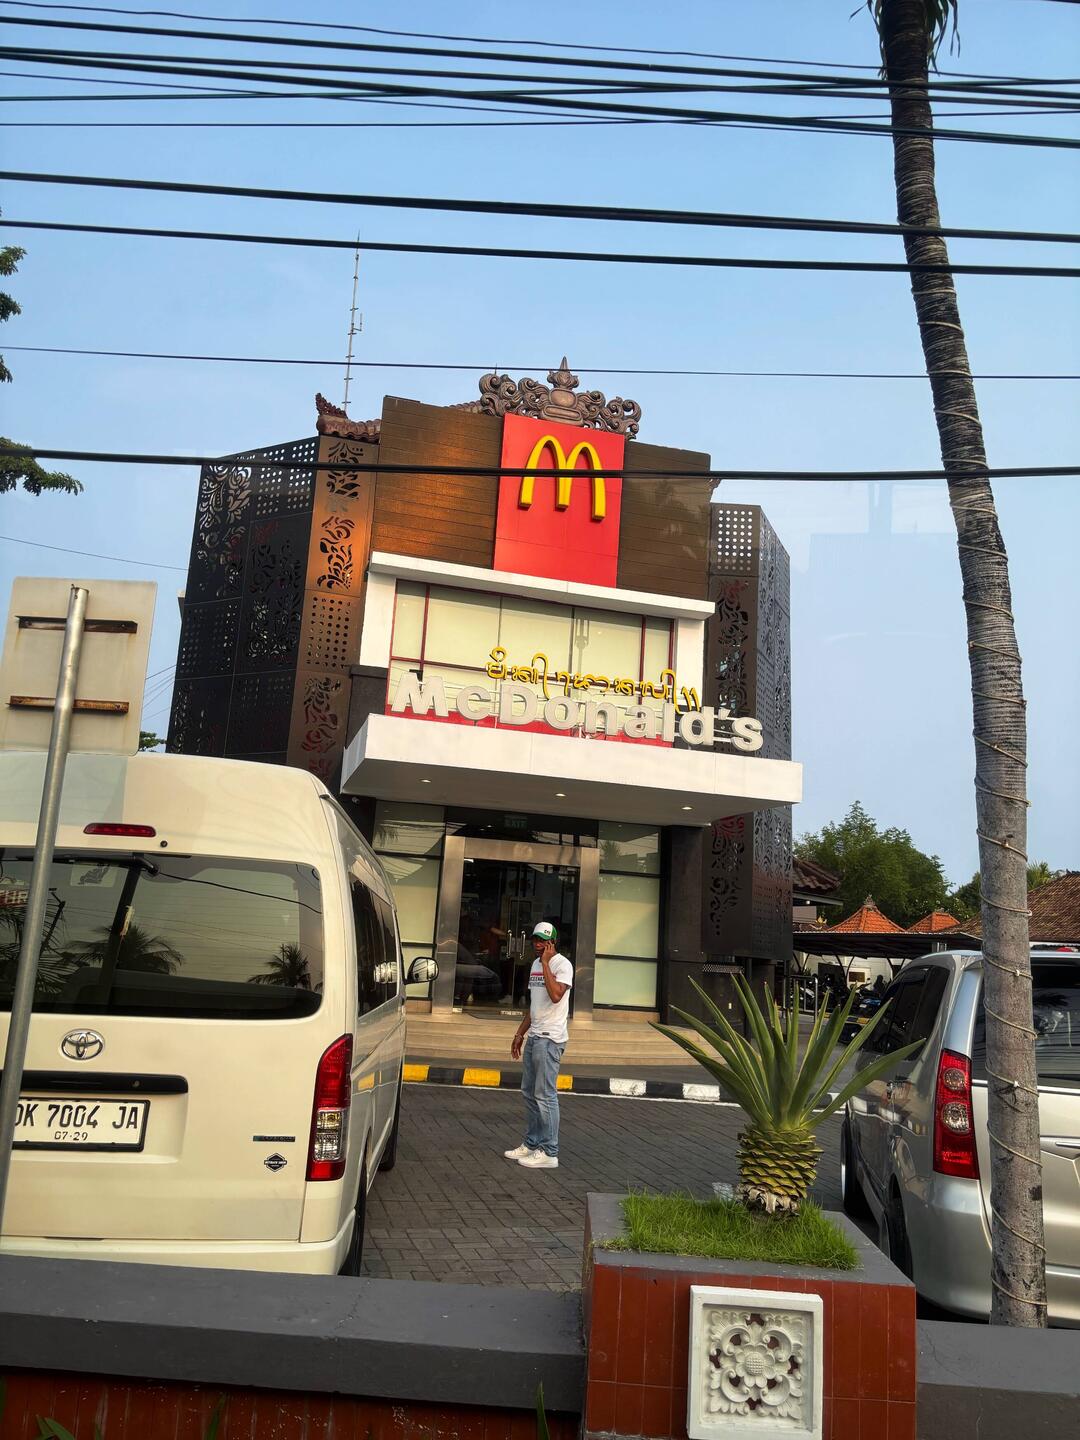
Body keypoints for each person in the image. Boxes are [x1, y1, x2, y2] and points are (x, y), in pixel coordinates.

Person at [503, 920, 573, 1170]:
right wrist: (520, 1034)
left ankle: (550, 1152)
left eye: (543, 941)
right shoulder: (534, 964)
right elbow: (535, 1007)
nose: (537, 944)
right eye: (535, 940)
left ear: (552, 943)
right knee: (529, 1092)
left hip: (550, 1040)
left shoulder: (562, 965)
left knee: (545, 1095)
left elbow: (555, 996)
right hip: (534, 1037)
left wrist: (545, 963)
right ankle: (532, 1144)